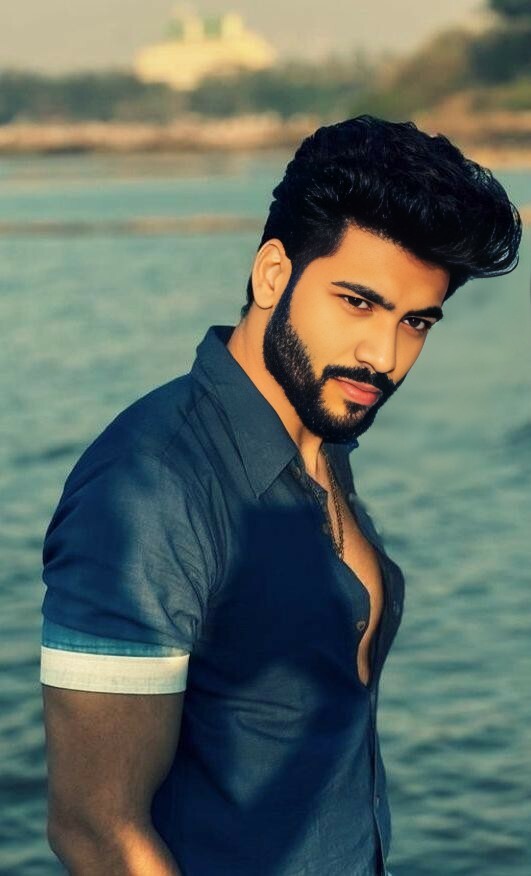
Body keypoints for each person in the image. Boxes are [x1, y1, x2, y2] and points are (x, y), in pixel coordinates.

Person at [40, 115, 521, 876]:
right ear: (272, 274)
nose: (384, 355)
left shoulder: (321, 437)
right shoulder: (148, 488)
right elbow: (96, 829)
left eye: (416, 322)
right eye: (357, 302)